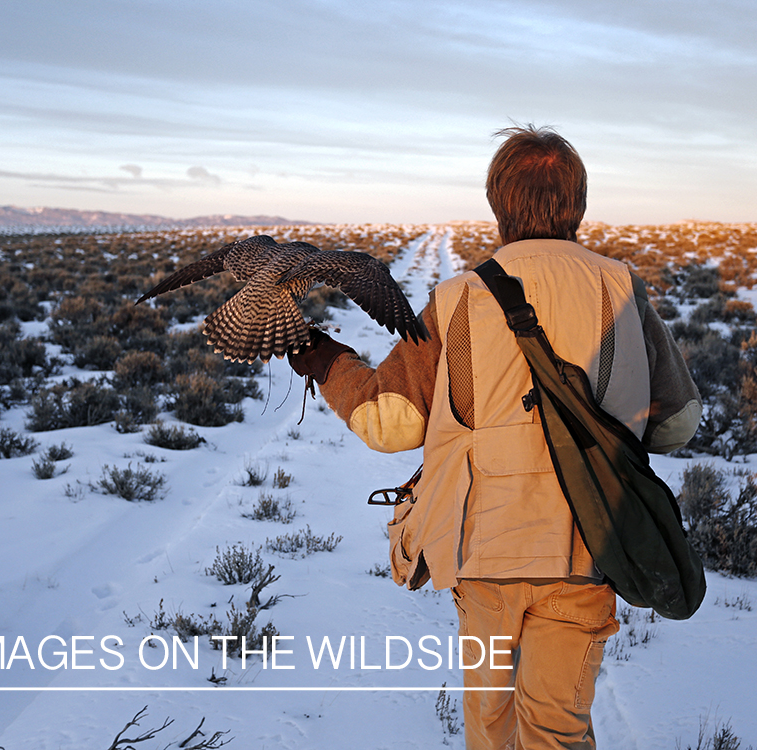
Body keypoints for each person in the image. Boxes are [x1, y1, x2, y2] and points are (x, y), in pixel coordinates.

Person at [289, 125, 701, 749]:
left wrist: (326, 361)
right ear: (579, 205)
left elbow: (390, 421)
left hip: (483, 556)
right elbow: (678, 424)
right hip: (590, 550)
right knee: (557, 733)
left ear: (498, 205)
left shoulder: (457, 300)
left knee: (490, 730)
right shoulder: (620, 288)